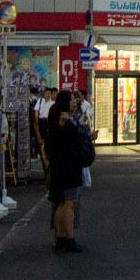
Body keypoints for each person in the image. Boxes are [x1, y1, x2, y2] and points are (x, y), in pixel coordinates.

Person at [44, 89, 90, 252]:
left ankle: (62, 237)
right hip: (67, 166)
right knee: (68, 203)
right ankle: (67, 238)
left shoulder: (62, 117)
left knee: (63, 202)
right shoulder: (63, 118)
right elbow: (63, 139)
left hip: (64, 165)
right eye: (71, 99)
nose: (74, 102)